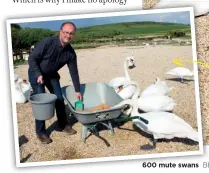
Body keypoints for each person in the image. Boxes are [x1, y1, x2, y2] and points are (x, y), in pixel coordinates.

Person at [28, 22, 82, 144]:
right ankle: (41, 132)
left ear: (73, 35)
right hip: (36, 73)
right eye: (66, 32)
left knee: (59, 98)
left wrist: (77, 90)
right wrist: (38, 74)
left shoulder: (70, 53)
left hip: (51, 75)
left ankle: (62, 125)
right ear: (61, 32)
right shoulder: (48, 42)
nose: (68, 35)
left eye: (71, 33)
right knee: (40, 103)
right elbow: (32, 58)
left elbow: (74, 72)